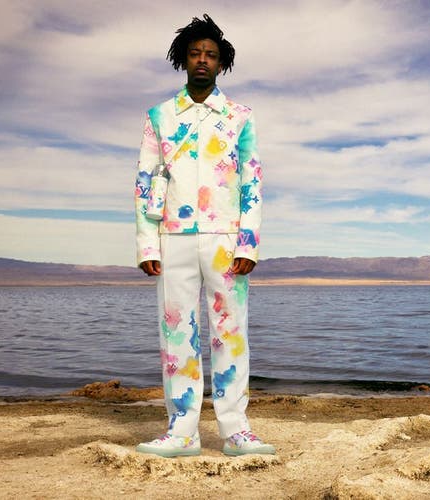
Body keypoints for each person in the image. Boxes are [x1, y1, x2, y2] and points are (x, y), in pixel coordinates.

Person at [133, 14, 272, 458]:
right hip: (172, 237)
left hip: (226, 239)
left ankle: (236, 432)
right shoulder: (159, 116)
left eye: (210, 55)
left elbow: (251, 181)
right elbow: (145, 180)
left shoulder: (240, 117)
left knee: (231, 334)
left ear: (221, 64)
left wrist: (248, 242)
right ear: (182, 59)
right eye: (195, 53)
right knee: (176, 334)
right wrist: (147, 243)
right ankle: (182, 432)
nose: (202, 60)